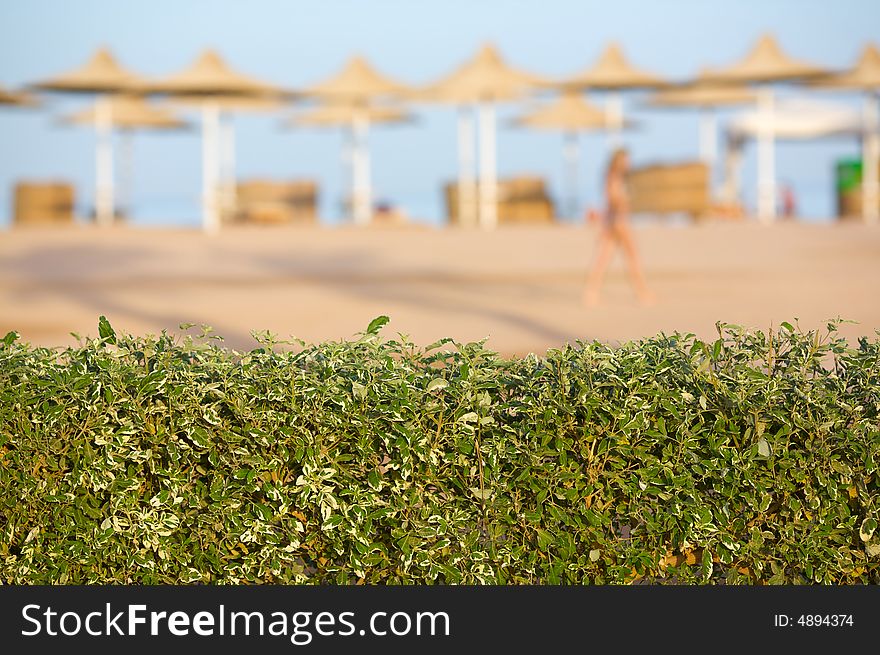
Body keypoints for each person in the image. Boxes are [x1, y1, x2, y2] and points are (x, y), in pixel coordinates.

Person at [583, 148, 654, 306]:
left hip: (612, 221)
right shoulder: (615, 178)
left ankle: (591, 292)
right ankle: (642, 293)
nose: (629, 163)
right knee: (632, 258)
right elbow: (614, 200)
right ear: (618, 161)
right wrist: (625, 203)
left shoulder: (611, 177)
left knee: (603, 259)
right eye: (626, 160)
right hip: (620, 221)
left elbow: (610, 201)